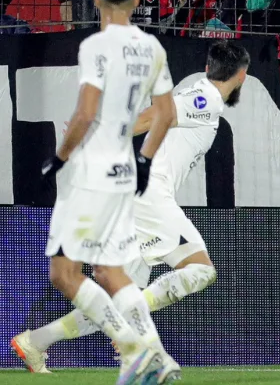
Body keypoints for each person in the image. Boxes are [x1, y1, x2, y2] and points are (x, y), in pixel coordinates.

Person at [11, 41, 250, 374]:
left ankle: (35, 342)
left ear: (208, 68)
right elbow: (152, 117)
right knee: (201, 271)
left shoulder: (200, 94)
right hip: (150, 196)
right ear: (242, 75)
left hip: (135, 198)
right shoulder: (205, 98)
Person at [11, 0, 180, 384]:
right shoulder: (153, 50)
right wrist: (143, 160)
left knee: (66, 273)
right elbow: (167, 115)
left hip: (89, 169)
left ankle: (137, 351)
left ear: (97, 0)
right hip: (125, 171)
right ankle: (149, 355)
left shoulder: (96, 48)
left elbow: (85, 114)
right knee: (112, 270)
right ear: (138, 1)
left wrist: (61, 158)